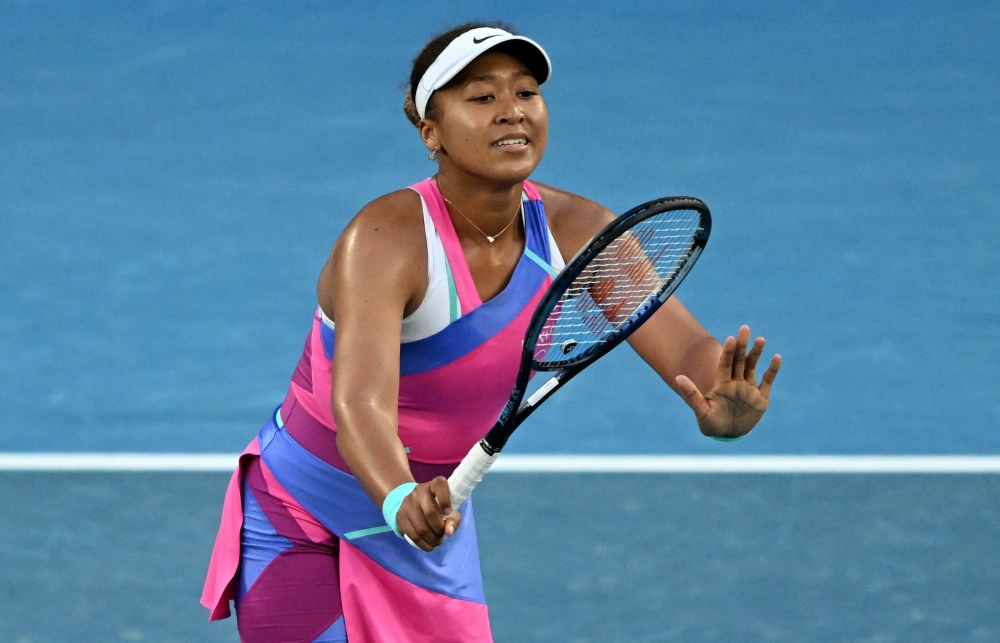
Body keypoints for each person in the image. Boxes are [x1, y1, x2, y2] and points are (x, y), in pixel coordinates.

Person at [202, 21, 780, 643]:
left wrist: (722, 402)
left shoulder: (578, 230)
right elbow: (360, 401)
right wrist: (397, 497)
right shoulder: (385, 238)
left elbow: (686, 347)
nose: (512, 112)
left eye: (526, 93)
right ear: (431, 132)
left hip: (431, 521)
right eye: (482, 98)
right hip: (307, 512)